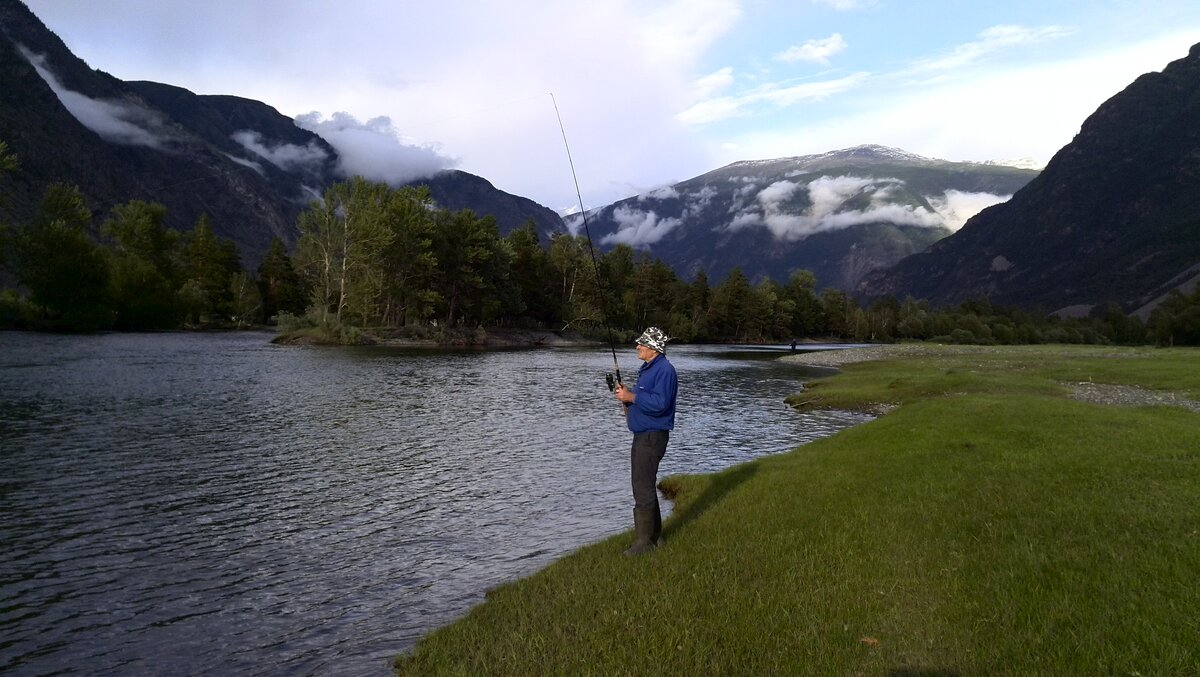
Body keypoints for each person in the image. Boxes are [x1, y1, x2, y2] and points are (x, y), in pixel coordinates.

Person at [613, 326, 678, 556]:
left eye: (642, 344)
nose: (637, 347)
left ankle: (644, 544)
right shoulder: (649, 368)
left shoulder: (665, 371)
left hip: (651, 437)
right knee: (646, 485)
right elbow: (647, 399)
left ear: (654, 348)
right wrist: (628, 397)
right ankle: (654, 537)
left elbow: (661, 404)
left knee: (641, 487)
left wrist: (631, 396)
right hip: (644, 435)